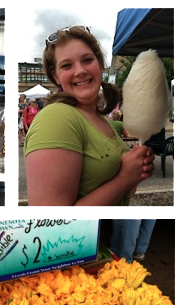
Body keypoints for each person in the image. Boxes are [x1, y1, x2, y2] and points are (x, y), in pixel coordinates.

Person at [24, 26, 155, 206]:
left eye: (87, 60)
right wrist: (124, 178)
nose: (80, 71)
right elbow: (51, 222)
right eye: (67, 65)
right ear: (56, 76)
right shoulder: (57, 117)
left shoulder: (101, 119)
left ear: (100, 64)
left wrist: (136, 170)